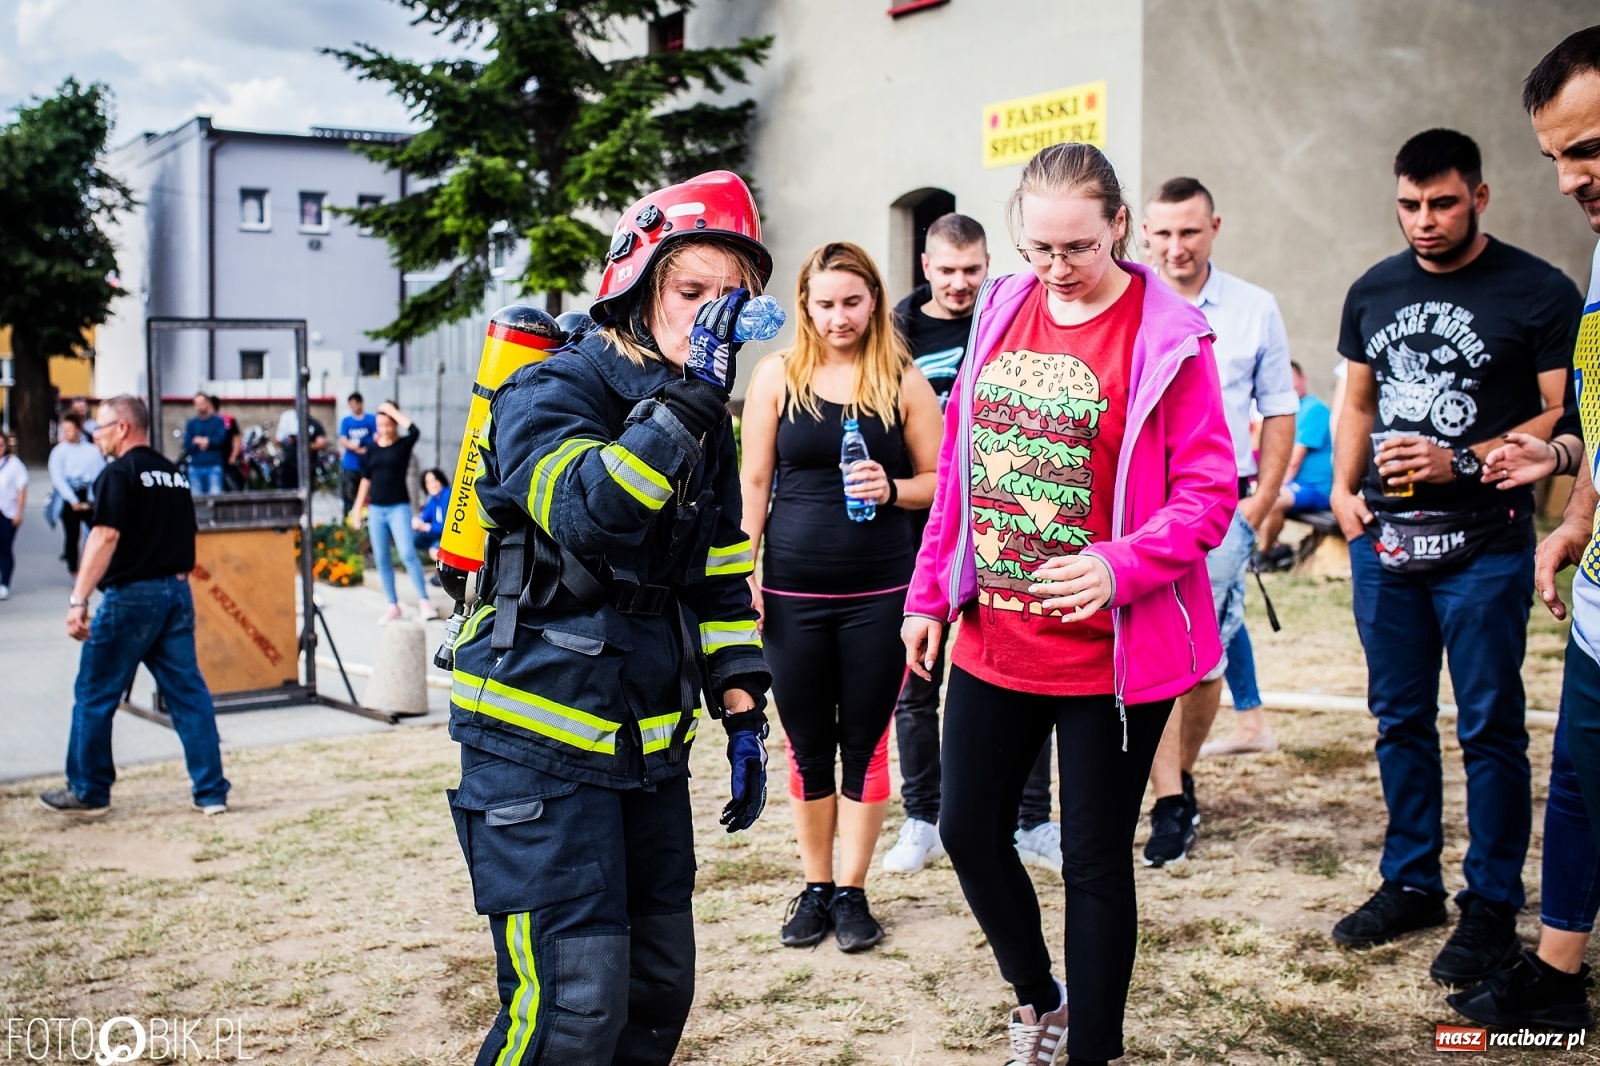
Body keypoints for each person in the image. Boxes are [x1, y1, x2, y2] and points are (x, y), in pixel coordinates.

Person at [902, 142, 1235, 1065]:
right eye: (1039, 247)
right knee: (968, 828)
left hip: (1110, 658)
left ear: (1118, 226)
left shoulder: (1169, 336)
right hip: (993, 635)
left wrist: (1122, 564)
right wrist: (930, 593)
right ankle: (1040, 999)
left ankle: (1094, 1046)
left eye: (1077, 249)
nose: (1056, 268)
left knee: (1092, 859)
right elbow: (967, 469)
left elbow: (1208, 496)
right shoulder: (1005, 304)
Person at [444, 170, 772, 1066]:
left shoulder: (704, 416)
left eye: (730, 298)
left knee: (657, 985)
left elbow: (717, 569)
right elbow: (593, 510)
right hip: (535, 743)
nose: (712, 315)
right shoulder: (550, 391)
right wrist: (692, 403)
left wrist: (744, 705)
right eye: (691, 291)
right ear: (636, 284)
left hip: (645, 747)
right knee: (571, 1009)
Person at [1328, 128, 1580, 987]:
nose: (1423, 221)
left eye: (1441, 202)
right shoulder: (1373, 288)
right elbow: (1357, 396)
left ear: (1479, 195)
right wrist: (1343, 492)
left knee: (1488, 727)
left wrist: (1462, 459)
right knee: (1398, 719)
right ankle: (1411, 881)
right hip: (1385, 546)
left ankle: (1489, 903)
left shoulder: (1538, 289)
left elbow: (1559, 415)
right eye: (1409, 204)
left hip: (1484, 544)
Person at [1449, 26, 1600, 1030]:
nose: (1566, 179)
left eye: (1587, 148)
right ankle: (1551, 984)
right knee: (1581, 785)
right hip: (1598, 609)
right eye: (1555, 156)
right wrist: (1568, 499)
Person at [740, 241, 941, 951]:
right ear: (804, 305)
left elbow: (939, 485)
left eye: (851, 302)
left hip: (880, 594)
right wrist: (745, 571)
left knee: (866, 743)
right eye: (824, 303)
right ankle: (816, 886)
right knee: (806, 746)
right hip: (791, 594)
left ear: (875, 301)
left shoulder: (902, 379)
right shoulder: (775, 377)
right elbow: (755, 485)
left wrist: (891, 488)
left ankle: (853, 892)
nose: (838, 316)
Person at [883, 214, 1063, 876]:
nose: (961, 284)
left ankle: (1032, 820)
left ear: (988, 265)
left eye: (973, 270)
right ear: (926, 268)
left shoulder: (1013, 321)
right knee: (917, 680)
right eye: (948, 271)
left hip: (1008, 523)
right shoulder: (897, 335)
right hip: (920, 525)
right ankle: (923, 817)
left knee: (1027, 673)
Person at [1139, 176, 1298, 865]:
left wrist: (1259, 503)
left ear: (1215, 228)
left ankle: (1181, 776)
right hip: (1135, 507)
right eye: (1164, 233)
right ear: (1143, 232)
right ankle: (1168, 799)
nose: (1176, 246)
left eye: (1190, 232)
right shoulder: (1126, 300)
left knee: (1203, 662)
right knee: (1140, 659)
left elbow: (1279, 409)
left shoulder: (1255, 308)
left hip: (1219, 506)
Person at [39, 395, 229, 817]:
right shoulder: (173, 474)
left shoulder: (118, 474)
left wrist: (78, 600)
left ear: (122, 428)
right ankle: (211, 792)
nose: (97, 437)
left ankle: (88, 788)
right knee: (188, 694)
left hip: (132, 597)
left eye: (101, 429)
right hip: (176, 593)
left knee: (94, 691)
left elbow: (105, 537)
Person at [350, 401, 438, 623]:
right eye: (380, 424)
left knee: (408, 553)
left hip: (398, 507)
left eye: (388, 424)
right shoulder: (371, 448)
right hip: (376, 509)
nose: (384, 429)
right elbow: (366, 479)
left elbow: (414, 430)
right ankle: (393, 605)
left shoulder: (403, 445)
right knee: (382, 558)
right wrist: (356, 509)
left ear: (395, 424)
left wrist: (393, 411)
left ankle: (424, 601)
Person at [1256, 361, 1336, 564]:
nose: (1290, 386)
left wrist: (1274, 487)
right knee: (1256, 497)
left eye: (1292, 380)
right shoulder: (1293, 411)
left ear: (1303, 380)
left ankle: (1264, 556)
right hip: (1297, 487)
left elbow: (1294, 460)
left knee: (1269, 500)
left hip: (1316, 489)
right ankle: (1276, 548)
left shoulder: (1313, 408)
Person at [48, 412, 106, 575]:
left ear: (78, 429)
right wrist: (72, 499)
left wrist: (93, 498)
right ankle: (74, 569)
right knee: (72, 534)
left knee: (96, 531)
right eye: (64, 430)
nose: (66, 433)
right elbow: (57, 477)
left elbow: (99, 473)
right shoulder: (59, 452)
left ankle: (94, 565)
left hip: (88, 494)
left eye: (69, 429)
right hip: (69, 495)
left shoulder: (91, 451)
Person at [339, 392, 376, 518]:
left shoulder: (371, 419)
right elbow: (343, 439)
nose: (353, 407)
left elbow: (376, 438)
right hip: (351, 464)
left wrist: (365, 449)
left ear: (361, 403)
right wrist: (353, 447)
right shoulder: (346, 421)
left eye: (355, 404)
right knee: (349, 495)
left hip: (367, 462)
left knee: (368, 496)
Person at [182, 392, 226, 496]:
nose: (200, 406)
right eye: (197, 403)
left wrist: (200, 440)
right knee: (197, 502)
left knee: (215, 500)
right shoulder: (191, 423)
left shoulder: (218, 421)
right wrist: (207, 441)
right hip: (195, 467)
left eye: (202, 403)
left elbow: (219, 440)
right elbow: (187, 445)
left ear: (208, 403)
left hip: (214, 466)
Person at [276, 408, 328, 491]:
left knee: (305, 493)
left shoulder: (313, 424)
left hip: (308, 466)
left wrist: (305, 445)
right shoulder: (289, 422)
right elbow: (278, 440)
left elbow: (322, 443)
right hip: (289, 466)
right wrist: (289, 440)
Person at [0, 433, 26, 600]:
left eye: (1, 445)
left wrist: (19, 511)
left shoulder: (14, 464)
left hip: (7, 512)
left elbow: (22, 487)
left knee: (4, 549)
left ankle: (5, 583)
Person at [412, 467, 449, 560]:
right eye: (427, 482)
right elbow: (424, 518)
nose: (431, 485)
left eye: (434, 480)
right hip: (438, 534)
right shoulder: (433, 498)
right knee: (414, 539)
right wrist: (417, 522)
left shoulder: (447, 494)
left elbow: (446, 527)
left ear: (441, 480)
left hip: (449, 535)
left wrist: (428, 527)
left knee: (434, 550)